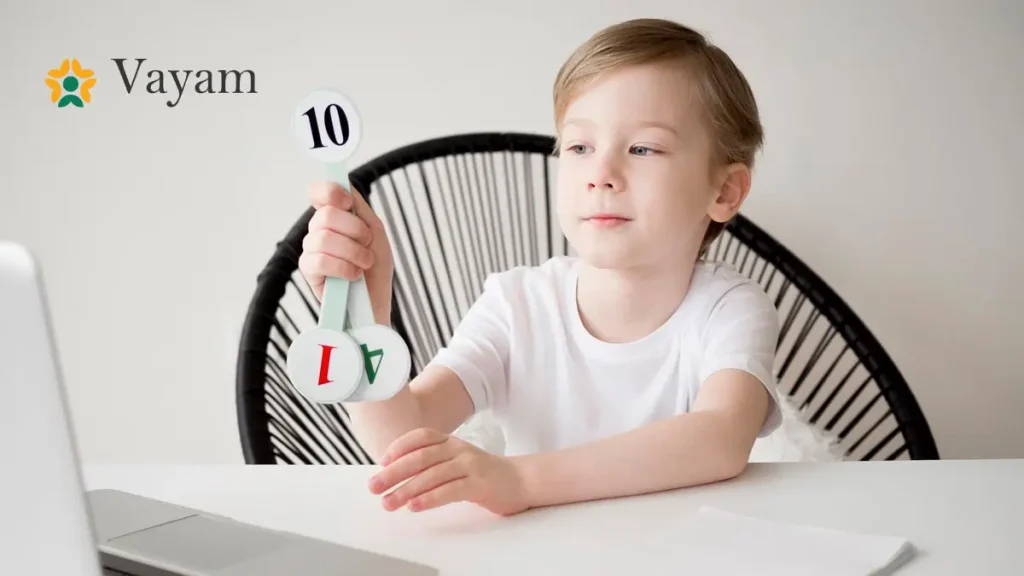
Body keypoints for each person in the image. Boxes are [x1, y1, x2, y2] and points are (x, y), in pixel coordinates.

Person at [298, 18, 780, 516]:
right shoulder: (517, 305)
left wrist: (520, 480)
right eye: (579, 147)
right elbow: (402, 440)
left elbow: (720, 437)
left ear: (724, 192)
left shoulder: (730, 309)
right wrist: (363, 311)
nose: (601, 175)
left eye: (642, 148)